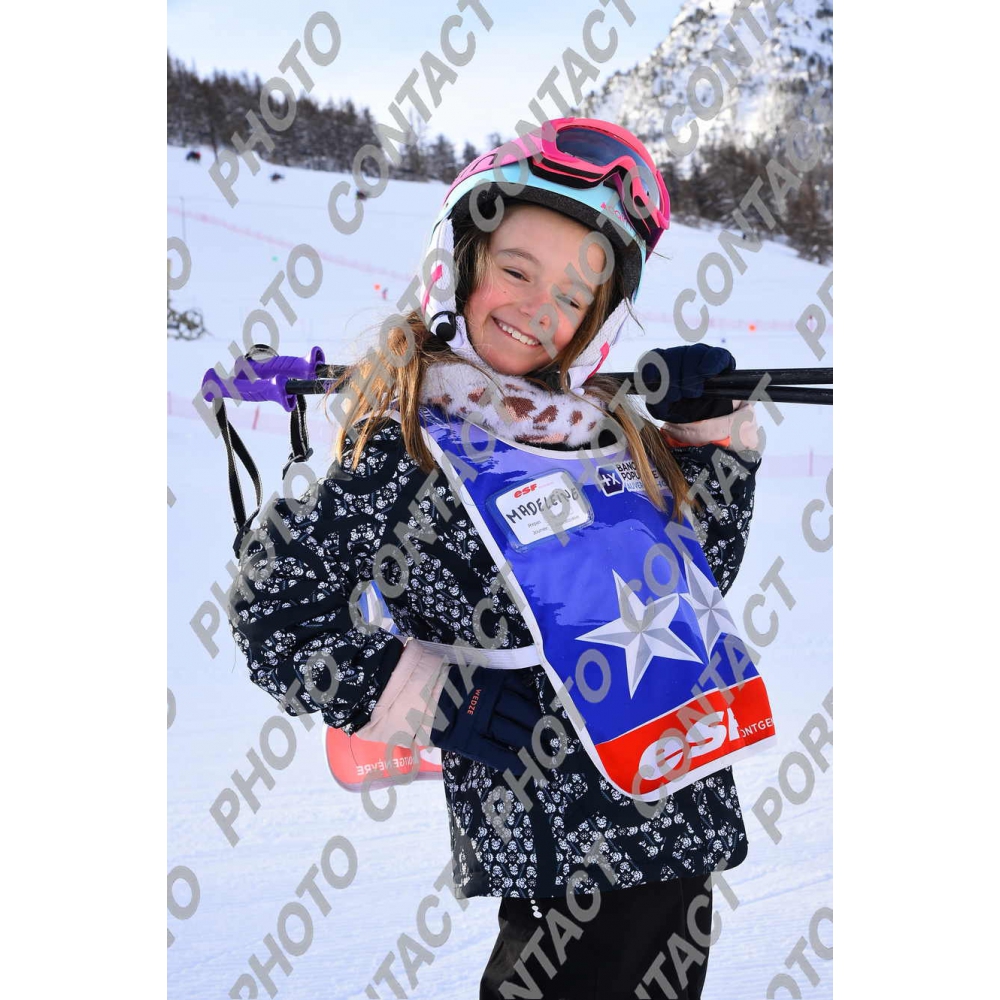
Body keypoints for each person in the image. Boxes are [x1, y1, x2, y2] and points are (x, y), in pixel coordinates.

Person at [229, 118, 765, 999]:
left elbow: (692, 580)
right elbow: (275, 619)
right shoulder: (410, 442)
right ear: (460, 263)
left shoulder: (593, 432)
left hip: (679, 823)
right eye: (518, 271)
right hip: (562, 856)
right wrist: (445, 699)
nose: (539, 309)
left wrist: (706, 444)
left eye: (573, 295)